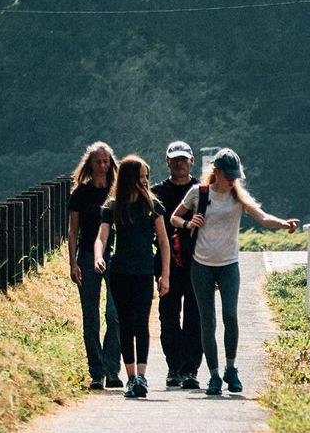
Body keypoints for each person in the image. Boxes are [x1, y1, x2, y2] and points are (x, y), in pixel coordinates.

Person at [169, 148, 299, 395]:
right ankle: (214, 375)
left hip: (229, 264)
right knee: (207, 321)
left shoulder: (238, 196)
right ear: (216, 172)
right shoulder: (199, 192)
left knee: (230, 315)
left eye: (235, 176)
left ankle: (231, 368)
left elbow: (262, 218)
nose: (232, 180)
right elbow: (174, 218)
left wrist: (284, 224)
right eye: (228, 175)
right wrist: (188, 223)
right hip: (201, 265)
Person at [94, 155, 172, 399]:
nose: (145, 181)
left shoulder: (153, 206)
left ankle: (142, 376)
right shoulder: (112, 206)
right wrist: (98, 257)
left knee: (141, 323)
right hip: (119, 272)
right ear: (128, 178)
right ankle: (131, 378)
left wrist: (165, 275)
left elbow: (164, 243)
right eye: (140, 177)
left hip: (144, 271)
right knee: (125, 324)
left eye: (146, 176)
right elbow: (101, 237)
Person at [67, 142, 124, 390]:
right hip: (87, 256)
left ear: (111, 163)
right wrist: (73, 262)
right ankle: (96, 372)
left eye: (106, 161)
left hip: (114, 256)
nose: (102, 165)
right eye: (98, 161)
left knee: (114, 314)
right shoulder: (80, 193)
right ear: (90, 164)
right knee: (90, 316)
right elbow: (73, 230)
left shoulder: (118, 192)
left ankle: (112, 369)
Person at [153, 141, 203, 390]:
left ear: (192, 161)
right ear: (168, 162)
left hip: (199, 262)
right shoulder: (157, 192)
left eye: (184, 159)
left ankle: (191, 369)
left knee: (196, 318)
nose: (180, 163)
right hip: (167, 263)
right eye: (175, 159)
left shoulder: (202, 190)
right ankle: (174, 367)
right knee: (169, 317)